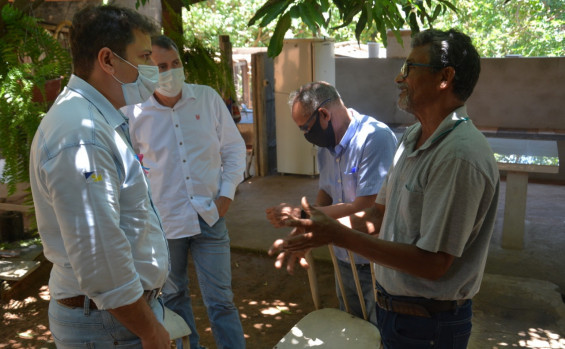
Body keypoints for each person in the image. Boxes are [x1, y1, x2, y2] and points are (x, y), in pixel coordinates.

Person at [271, 29, 500, 349]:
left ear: (445, 77)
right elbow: (378, 213)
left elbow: (433, 264)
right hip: (398, 313)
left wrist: (336, 234)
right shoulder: (412, 139)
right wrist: (314, 227)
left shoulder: (459, 156)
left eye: (409, 68)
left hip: (429, 326)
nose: (398, 78)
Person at [28, 5, 170, 348]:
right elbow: (100, 258)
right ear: (108, 60)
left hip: (115, 318)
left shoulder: (94, 120)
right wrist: (150, 331)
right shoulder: (82, 135)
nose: (152, 69)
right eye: (145, 56)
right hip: (111, 325)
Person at [122, 35, 246, 349]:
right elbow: (128, 168)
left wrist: (226, 196)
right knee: (175, 298)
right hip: (165, 225)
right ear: (147, 70)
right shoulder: (134, 113)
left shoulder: (206, 99)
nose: (171, 70)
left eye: (175, 63)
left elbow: (233, 149)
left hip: (210, 216)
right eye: (161, 66)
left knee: (221, 301)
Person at [266, 81, 397, 325]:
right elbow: (325, 195)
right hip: (344, 258)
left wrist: (305, 216)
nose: (306, 135)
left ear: (324, 114)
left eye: (306, 128)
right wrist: (304, 231)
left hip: (375, 263)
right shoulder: (326, 146)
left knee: (379, 334)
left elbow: (368, 211)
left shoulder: (374, 138)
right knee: (351, 329)